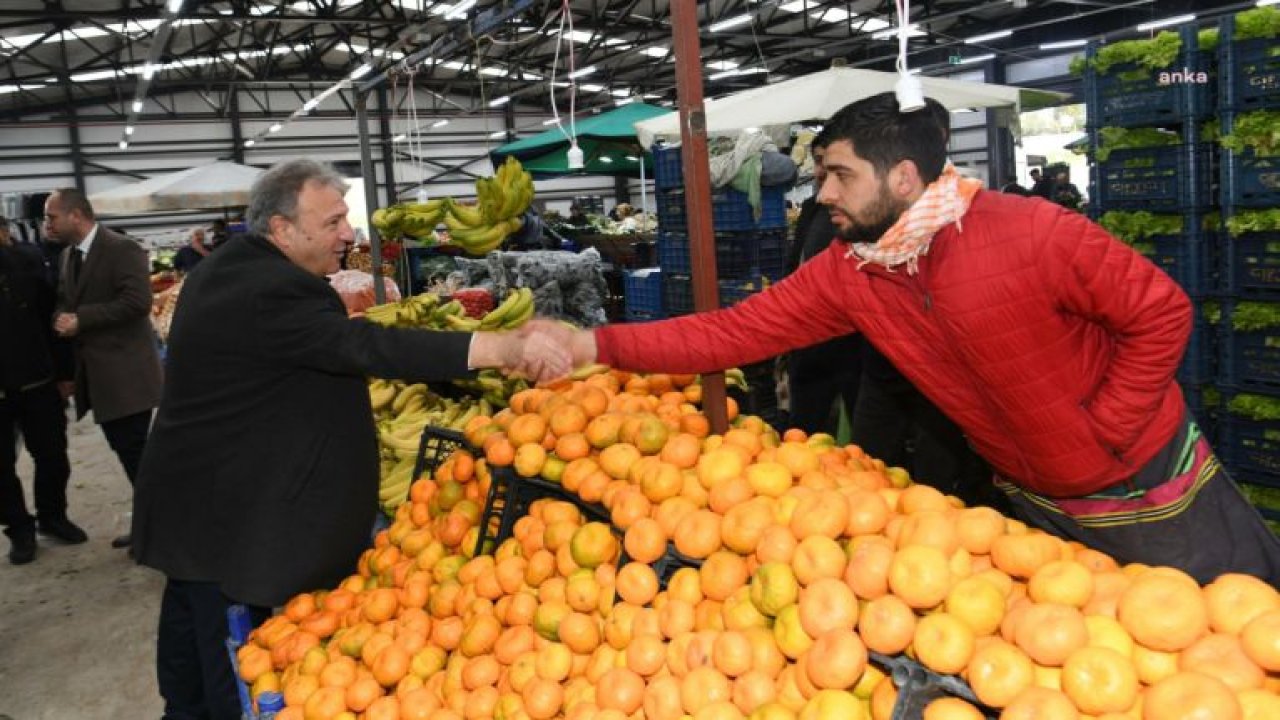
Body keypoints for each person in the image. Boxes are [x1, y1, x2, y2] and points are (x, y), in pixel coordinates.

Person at [545, 91, 1280, 585]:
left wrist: (1106, 431)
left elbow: (1162, 312)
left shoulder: (1032, 232)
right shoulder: (850, 272)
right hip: (1037, 503)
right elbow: (731, 332)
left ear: (902, 177)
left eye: (837, 175)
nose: (821, 194)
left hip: (1148, 481)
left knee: (1233, 634)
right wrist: (597, 346)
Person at [130, 158, 569, 720]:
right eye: (334, 221)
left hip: (198, 506)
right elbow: (362, 348)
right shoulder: (271, 290)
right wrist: (497, 349)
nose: (349, 234)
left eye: (345, 218)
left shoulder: (232, 268)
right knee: (225, 660)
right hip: (227, 517)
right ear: (283, 229)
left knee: (189, 637)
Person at [46, 188, 163, 551]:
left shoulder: (120, 248)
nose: (47, 224)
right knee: (130, 452)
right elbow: (66, 301)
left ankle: (159, 530)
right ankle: (154, 526)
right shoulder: (68, 256)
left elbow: (137, 302)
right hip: (99, 377)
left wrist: (81, 320)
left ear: (76, 215)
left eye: (52, 217)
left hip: (127, 374)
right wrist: (61, 319)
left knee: (136, 453)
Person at [0, 216, 83, 564]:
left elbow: (54, 319)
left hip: (37, 380)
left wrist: (65, 373)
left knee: (52, 454)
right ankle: (19, 529)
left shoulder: (26, 263)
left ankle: (52, 515)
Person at [784, 141, 862, 436]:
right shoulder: (810, 209)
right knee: (802, 427)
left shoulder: (863, 219)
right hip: (809, 339)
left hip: (853, 343)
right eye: (818, 163)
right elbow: (796, 263)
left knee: (868, 437)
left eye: (834, 169)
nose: (820, 173)